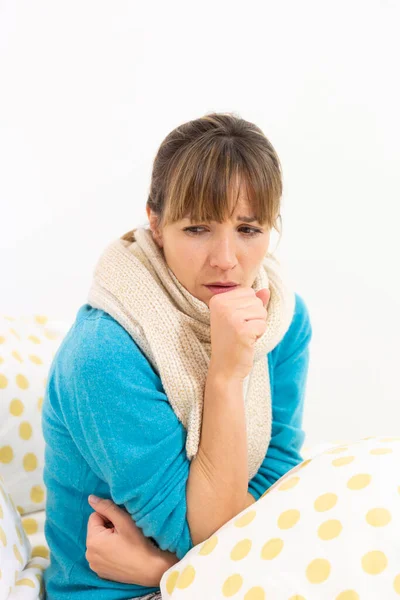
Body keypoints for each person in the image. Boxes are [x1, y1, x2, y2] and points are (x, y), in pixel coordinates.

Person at [42, 112, 313, 599]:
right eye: (197, 229)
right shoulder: (103, 353)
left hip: (184, 576)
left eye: (248, 229)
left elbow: (277, 478)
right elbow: (206, 532)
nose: (226, 259)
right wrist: (227, 374)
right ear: (156, 222)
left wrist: (155, 566)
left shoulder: (281, 320)